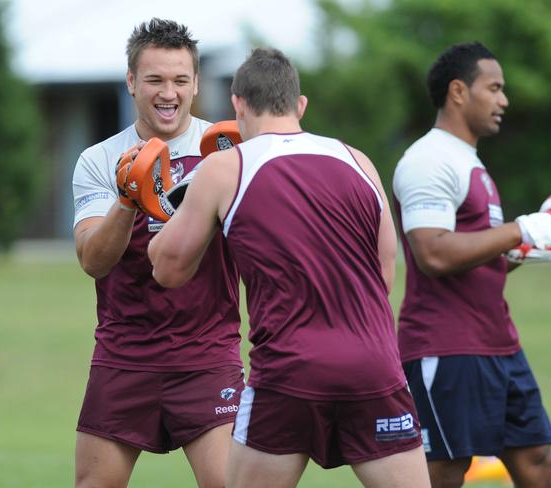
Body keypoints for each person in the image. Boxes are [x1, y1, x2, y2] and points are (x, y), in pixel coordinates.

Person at [149, 47, 431, 488]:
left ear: (238, 105)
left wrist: (166, 201)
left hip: (289, 372)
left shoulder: (224, 167)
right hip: (373, 367)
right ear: (300, 106)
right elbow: (385, 274)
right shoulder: (359, 161)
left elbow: (167, 270)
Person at [71, 18, 243, 488]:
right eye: (154, 80)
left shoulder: (228, 154)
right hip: (125, 354)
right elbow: (92, 259)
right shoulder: (101, 159)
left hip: (207, 354)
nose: (167, 92)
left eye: (179, 80)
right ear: (131, 82)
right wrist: (128, 198)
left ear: (196, 85)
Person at [392, 41, 551, 488]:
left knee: (536, 457)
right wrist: (522, 229)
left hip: (498, 342)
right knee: (445, 471)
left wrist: (534, 248)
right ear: (459, 91)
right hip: (446, 346)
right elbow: (434, 254)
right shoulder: (429, 159)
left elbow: (476, 255)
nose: (504, 100)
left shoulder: (470, 161)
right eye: (495, 88)